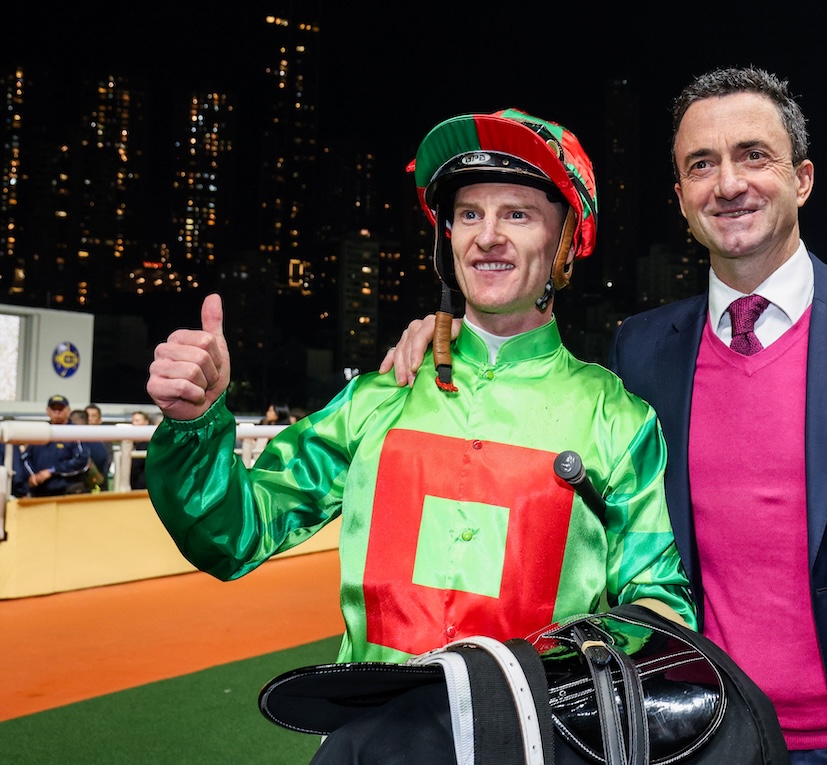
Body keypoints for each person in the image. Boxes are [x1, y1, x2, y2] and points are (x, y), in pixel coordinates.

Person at [383, 67, 827, 764]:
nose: (729, 183)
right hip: (705, 740)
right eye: (701, 165)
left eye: (753, 155)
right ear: (681, 198)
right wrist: (457, 343)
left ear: (802, 178)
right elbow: (545, 423)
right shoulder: (641, 350)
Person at [143, 108, 695, 677]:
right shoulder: (377, 397)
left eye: (518, 213)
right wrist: (196, 425)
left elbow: (662, 606)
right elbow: (234, 533)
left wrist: (553, 670)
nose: (487, 236)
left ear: (566, 241)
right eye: (469, 213)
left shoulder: (618, 420)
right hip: (372, 736)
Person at [19, 395, 91, 497]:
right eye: (54, 409)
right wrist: (33, 476)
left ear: (68, 411)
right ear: (48, 411)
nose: (57, 412)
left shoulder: (76, 432)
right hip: (39, 492)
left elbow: (82, 461)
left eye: (61, 409)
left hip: (67, 492)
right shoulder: (39, 432)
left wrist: (52, 471)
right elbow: (25, 458)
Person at [127, 410, 152, 490]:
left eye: (137, 421)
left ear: (146, 422)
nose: (134, 423)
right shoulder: (131, 443)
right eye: (133, 421)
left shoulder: (151, 444)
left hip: (144, 487)